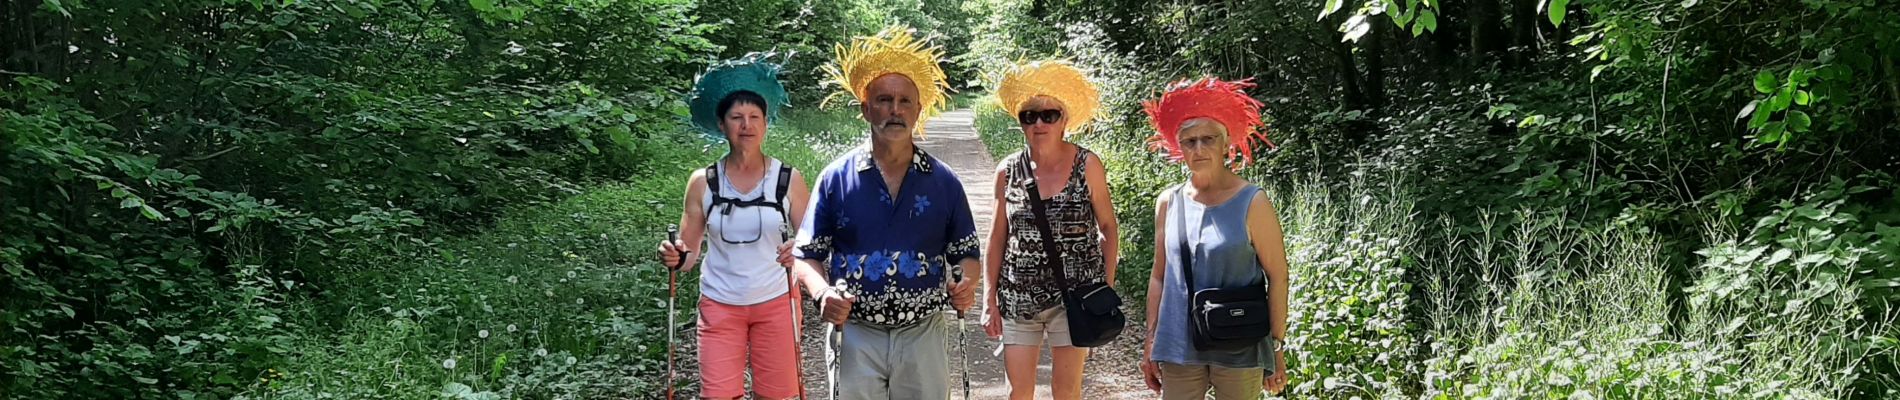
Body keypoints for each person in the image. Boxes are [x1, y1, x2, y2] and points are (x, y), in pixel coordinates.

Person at [794, 26, 980, 400]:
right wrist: (823, 294)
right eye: (883, 100)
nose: (894, 110)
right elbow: (806, 254)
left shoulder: (944, 182)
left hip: (922, 330)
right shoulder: (836, 178)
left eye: (904, 101)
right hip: (855, 329)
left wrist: (965, 284)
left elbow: (966, 253)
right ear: (865, 108)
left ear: (918, 110)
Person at [655, 53, 817, 400]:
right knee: (717, 395)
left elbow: (812, 245)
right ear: (721, 125)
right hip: (719, 303)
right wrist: (673, 255)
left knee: (776, 395)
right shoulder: (703, 182)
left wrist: (798, 250)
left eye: (755, 117)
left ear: (766, 123)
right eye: (737, 117)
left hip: (776, 302)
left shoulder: (788, 180)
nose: (747, 125)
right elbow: (688, 252)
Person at [1137, 77, 1292, 400]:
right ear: (1179, 148)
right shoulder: (1169, 202)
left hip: (1240, 342)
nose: (1199, 148)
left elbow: (1278, 277)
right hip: (1179, 344)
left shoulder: (1253, 201)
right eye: (1189, 141)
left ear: (1225, 144)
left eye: (1208, 139)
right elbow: (1158, 277)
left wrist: (1276, 347)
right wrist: (1151, 340)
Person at [979, 60, 1119, 400]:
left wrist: (1105, 288)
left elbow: (1108, 227)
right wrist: (989, 299)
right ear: (1020, 122)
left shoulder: (1087, 165)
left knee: (1066, 390)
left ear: (1064, 120)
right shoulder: (1008, 170)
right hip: (1017, 297)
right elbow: (997, 237)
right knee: (1018, 391)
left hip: (1074, 297)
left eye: (1049, 114)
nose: (1039, 122)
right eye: (1029, 115)